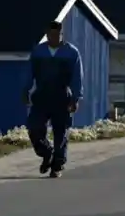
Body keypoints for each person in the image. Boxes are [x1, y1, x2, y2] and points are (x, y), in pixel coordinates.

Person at [24, 20, 84, 177]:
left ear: (61, 34)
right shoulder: (38, 52)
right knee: (34, 128)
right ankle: (46, 152)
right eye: (51, 34)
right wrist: (25, 90)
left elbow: (77, 77)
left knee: (61, 132)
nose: (54, 37)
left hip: (62, 96)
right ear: (47, 34)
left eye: (57, 34)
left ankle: (57, 165)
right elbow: (29, 73)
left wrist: (75, 98)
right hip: (42, 95)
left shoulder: (71, 53)